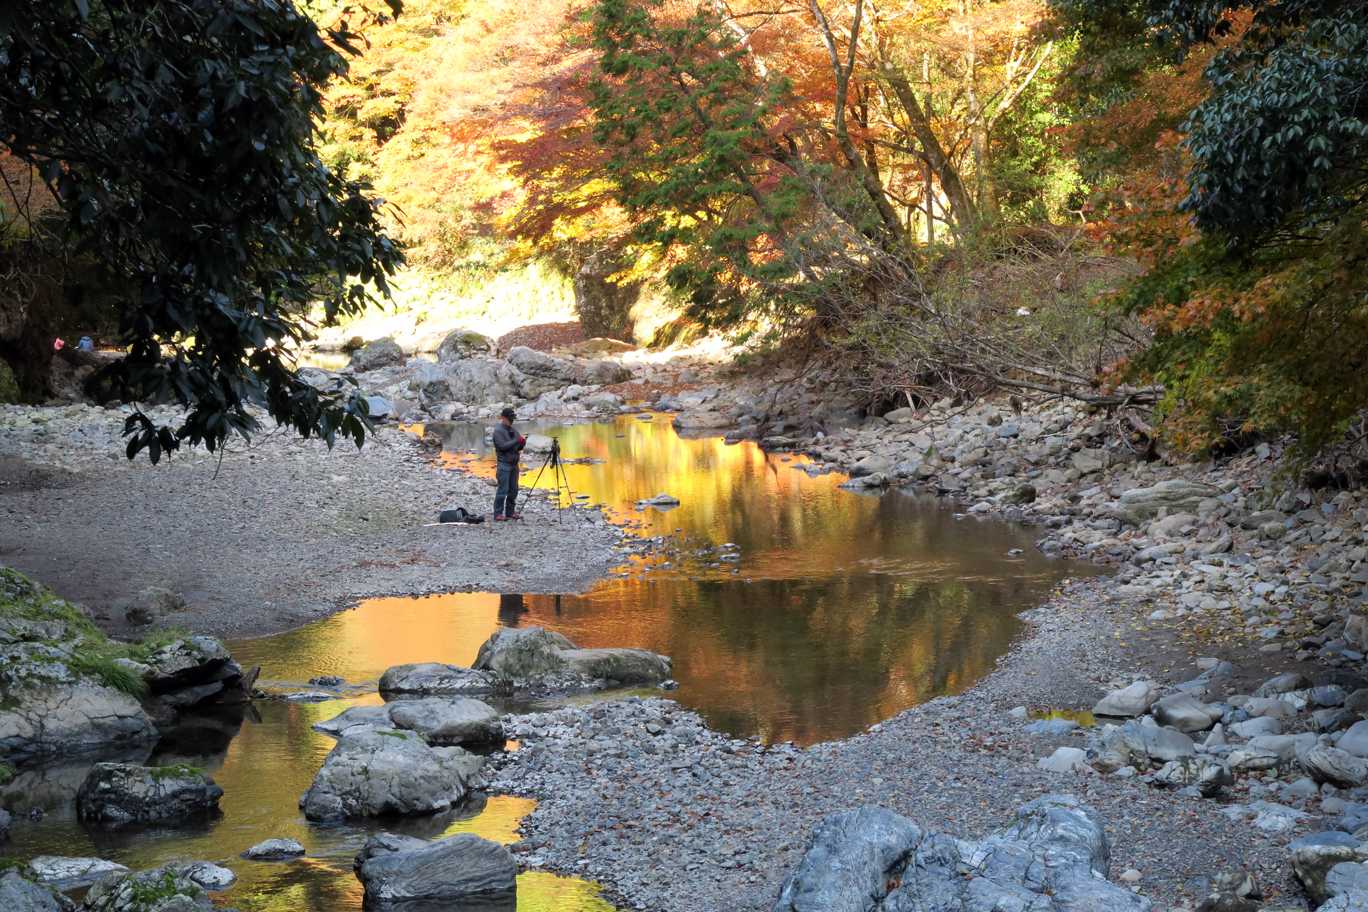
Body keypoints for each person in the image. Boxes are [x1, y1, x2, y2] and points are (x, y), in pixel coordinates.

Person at [491, 406, 526, 521]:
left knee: (513, 490)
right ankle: (498, 514)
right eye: (510, 418)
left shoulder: (513, 430)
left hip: (514, 464)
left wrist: (522, 443)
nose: (511, 421)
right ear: (503, 418)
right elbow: (502, 446)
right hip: (504, 464)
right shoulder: (498, 431)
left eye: (512, 418)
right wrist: (516, 440)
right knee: (503, 490)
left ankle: (510, 512)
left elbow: (518, 447)